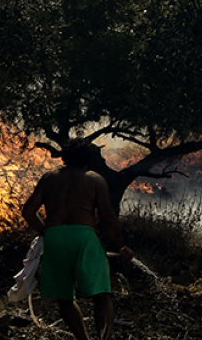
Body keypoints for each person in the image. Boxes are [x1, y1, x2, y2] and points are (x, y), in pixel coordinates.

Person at [21, 140, 135, 340]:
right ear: (88, 159)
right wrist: (122, 246)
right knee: (102, 295)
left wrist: (45, 232)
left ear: (64, 157)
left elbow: (28, 212)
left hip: (55, 237)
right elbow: (108, 217)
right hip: (83, 236)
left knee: (64, 298)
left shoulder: (49, 178)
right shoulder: (94, 179)